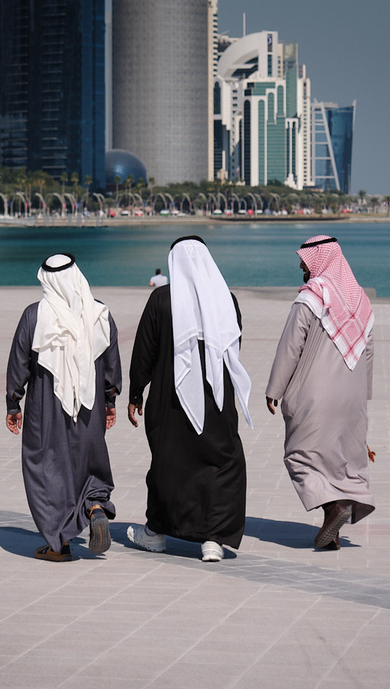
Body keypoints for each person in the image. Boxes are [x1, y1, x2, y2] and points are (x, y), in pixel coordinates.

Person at [125, 235, 251, 562]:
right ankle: (213, 538)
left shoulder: (161, 300)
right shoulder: (226, 299)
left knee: (170, 463)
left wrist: (136, 392)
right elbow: (235, 346)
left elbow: (144, 352)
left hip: (169, 399)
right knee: (220, 464)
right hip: (217, 398)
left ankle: (156, 533)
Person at [6, 254, 121, 562]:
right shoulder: (100, 314)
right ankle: (95, 505)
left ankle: (59, 544)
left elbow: (19, 363)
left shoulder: (34, 315)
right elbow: (111, 364)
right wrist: (110, 401)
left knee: (45, 464)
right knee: (89, 458)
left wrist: (12, 402)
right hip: (90, 404)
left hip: (45, 406)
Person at [265, 235, 376, 551]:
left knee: (300, 457)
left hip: (315, 395)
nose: (301, 264)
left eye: (305, 259)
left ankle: (333, 509)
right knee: (339, 461)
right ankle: (333, 532)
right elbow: (368, 356)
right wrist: (362, 399)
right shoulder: (362, 301)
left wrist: (274, 390)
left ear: (320, 260)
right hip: (352, 400)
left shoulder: (312, 297)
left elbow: (291, 347)